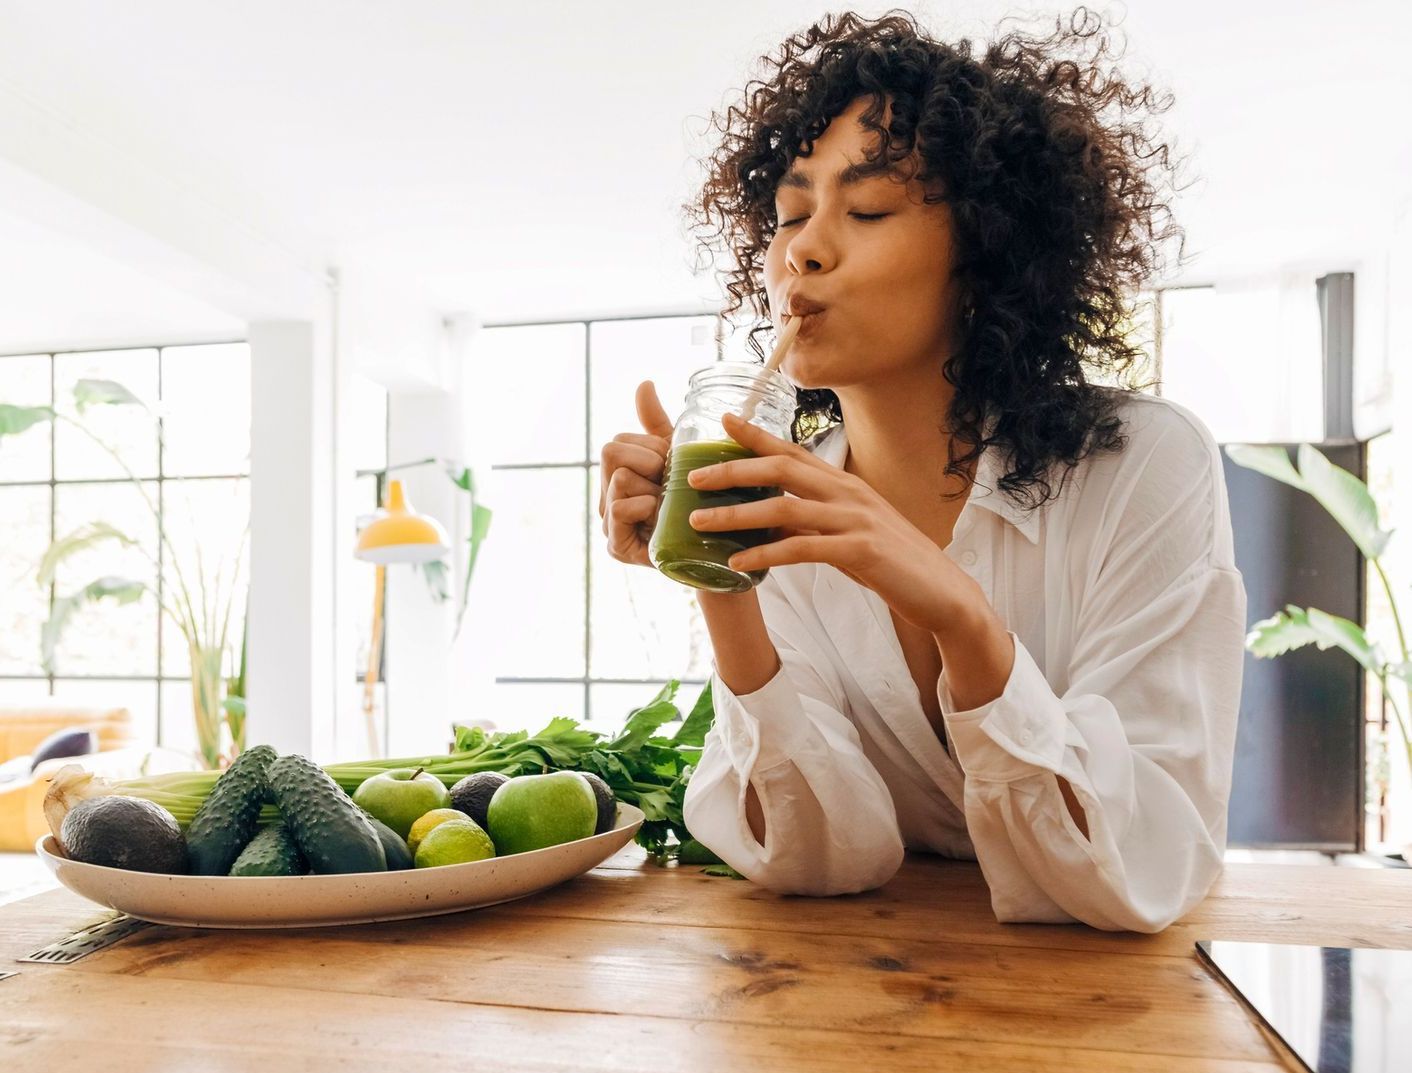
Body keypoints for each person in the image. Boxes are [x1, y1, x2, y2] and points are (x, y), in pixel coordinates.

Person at [598, 10, 1247, 932]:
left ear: (983, 250)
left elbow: (1144, 867)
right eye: (790, 213)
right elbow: (817, 859)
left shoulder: (1143, 466)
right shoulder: (779, 496)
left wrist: (961, 616)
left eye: (865, 209)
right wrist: (720, 573)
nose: (803, 249)